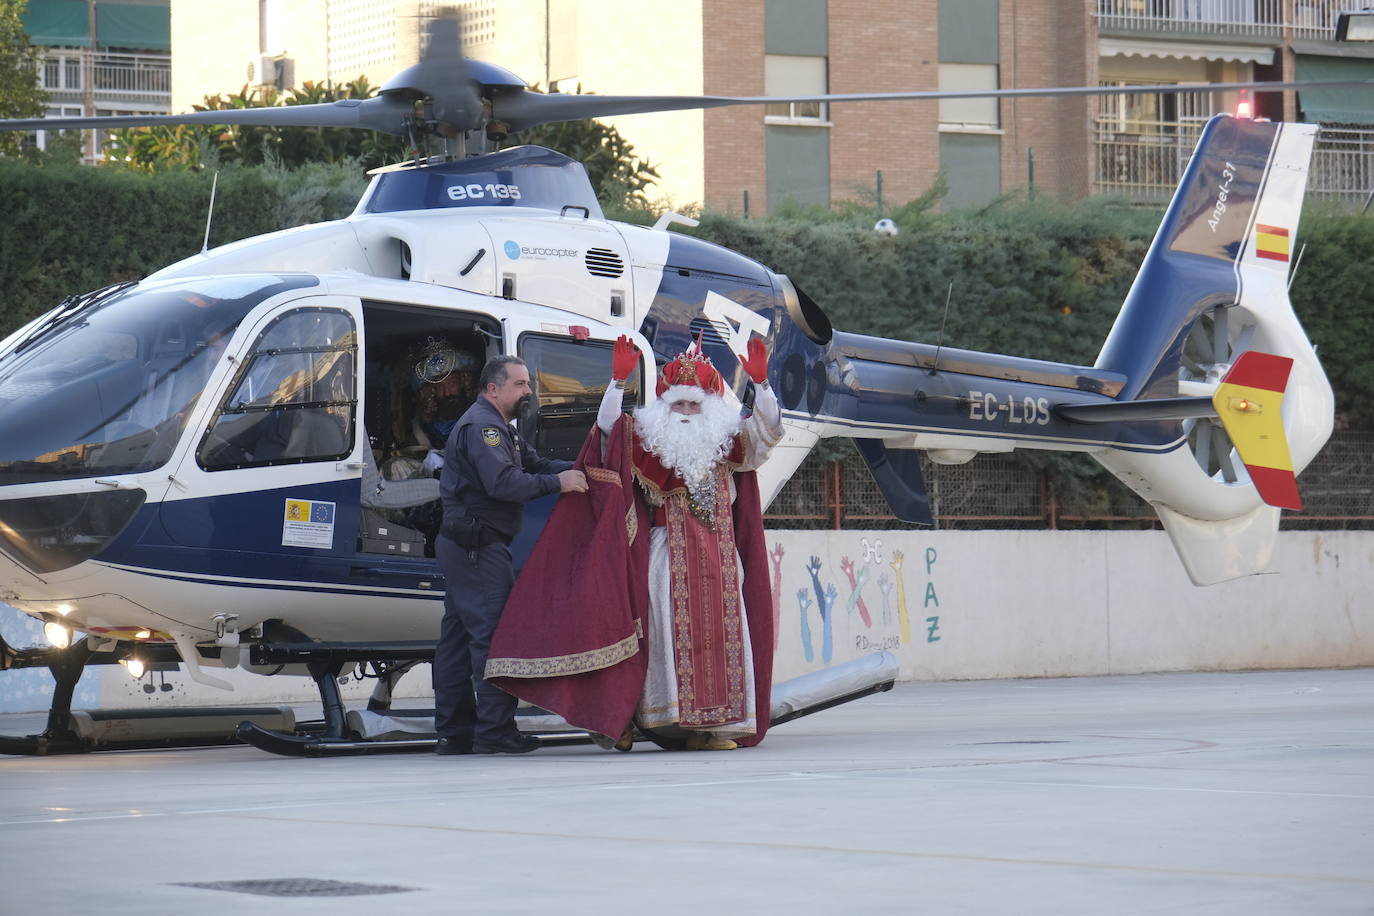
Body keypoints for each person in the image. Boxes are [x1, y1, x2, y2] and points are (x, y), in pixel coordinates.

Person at [486, 335, 781, 751]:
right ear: (664, 407)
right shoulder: (648, 444)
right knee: (666, 645)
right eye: (678, 404)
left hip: (720, 565)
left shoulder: (727, 443)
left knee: (720, 643)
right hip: (665, 563)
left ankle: (712, 727)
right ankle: (671, 724)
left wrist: (763, 385)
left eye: (693, 405)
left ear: (710, 408)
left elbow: (767, 431)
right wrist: (616, 384)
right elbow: (606, 432)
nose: (685, 413)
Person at [433, 355, 586, 756]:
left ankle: (454, 733)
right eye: (520, 384)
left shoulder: (502, 428)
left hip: (466, 546)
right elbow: (503, 483)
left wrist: (585, 468)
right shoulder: (484, 427)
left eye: (528, 384)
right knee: (492, 637)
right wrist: (559, 483)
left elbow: (534, 463)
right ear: (493, 389)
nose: (528, 391)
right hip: (477, 548)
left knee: (457, 639)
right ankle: (494, 731)